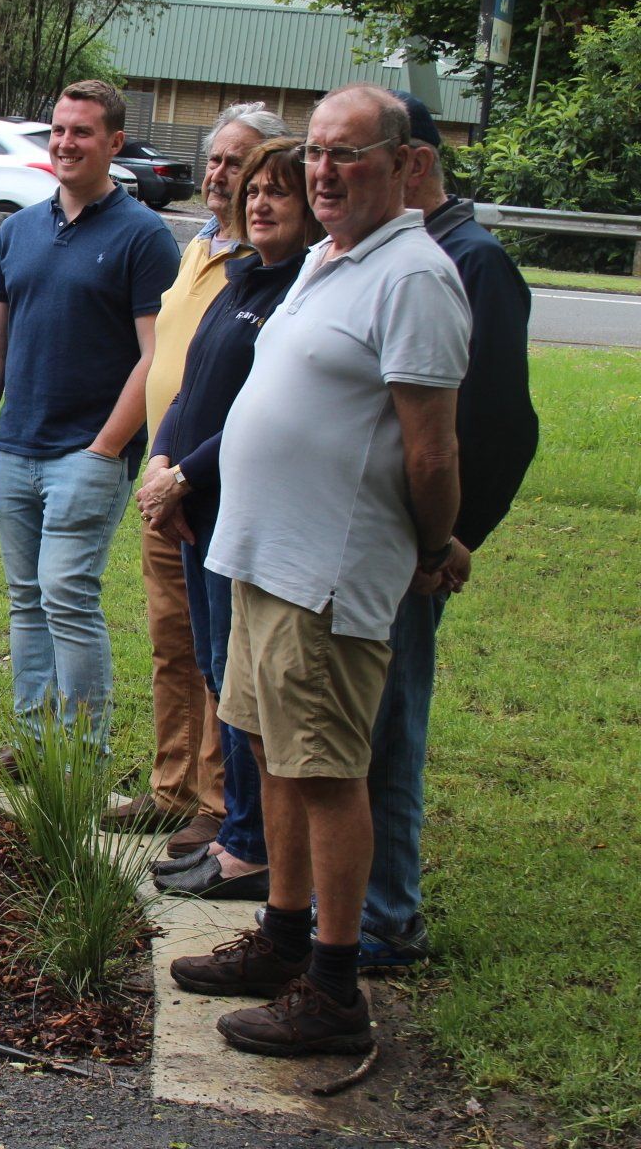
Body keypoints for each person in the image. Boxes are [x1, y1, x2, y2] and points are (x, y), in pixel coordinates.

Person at [167, 85, 469, 1058]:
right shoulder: (333, 259)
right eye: (320, 155)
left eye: (350, 154)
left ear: (406, 164)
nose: (327, 172)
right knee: (269, 753)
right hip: (262, 558)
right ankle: (284, 936)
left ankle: (334, 988)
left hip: (326, 570)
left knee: (328, 773)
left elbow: (430, 450)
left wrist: (431, 543)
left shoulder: (414, 275)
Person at [353, 92, 538, 966]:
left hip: (413, 552)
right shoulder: (386, 255)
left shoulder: (469, 261)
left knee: (391, 728)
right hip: (357, 542)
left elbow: (497, 423)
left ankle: (389, 916)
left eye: (357, 155)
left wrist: (449, 541)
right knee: (350, 729)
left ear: (413, 164)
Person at [0, 80, 179, 761]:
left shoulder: (145, 237)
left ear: (113, 144)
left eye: (82, 132)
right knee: (26, 600)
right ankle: (34, 745)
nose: (65, 143)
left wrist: (105, 449)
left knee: (66, 596)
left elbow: (156, 357)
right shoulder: (19, 231)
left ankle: (82, 754)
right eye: (57, 130)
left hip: (88, 454)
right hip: (17, 448)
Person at [136, 137, 322, 902]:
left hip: (238, 510)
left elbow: (256, 408)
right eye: (253, 191)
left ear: (311, 207)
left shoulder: (301, 292)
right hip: (195, 510)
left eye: (280, 191)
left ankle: (248, 844)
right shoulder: (240, 276)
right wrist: (160, 460)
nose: (261, 203)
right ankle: (237, 834)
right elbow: (191, 386)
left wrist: (185, 474)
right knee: (215, 670)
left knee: (239, 686)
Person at [105, 103, 289, 846]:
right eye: (214, 160)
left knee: (222, 651)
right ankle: (172, 785)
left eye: (238, 163)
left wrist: (185, 473)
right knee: (172, 641)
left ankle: (219, 802)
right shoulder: (200, 246)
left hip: (216, 487)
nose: (221, 176)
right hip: (165, 479)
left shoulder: (274, 269)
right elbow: (175, 370)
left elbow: (252, 393)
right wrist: (156, 463)